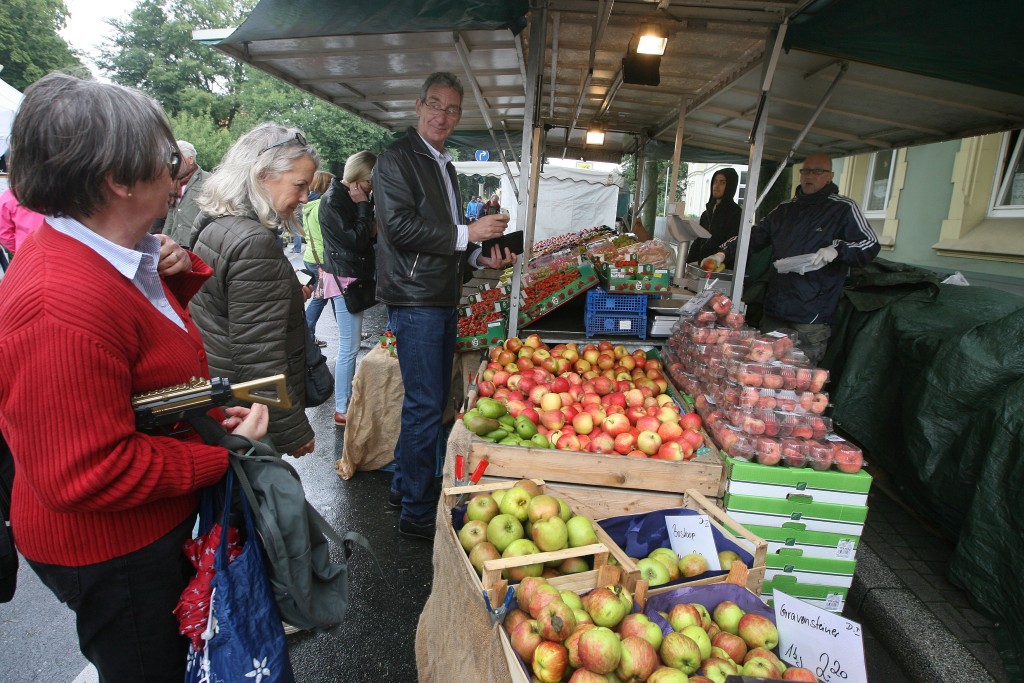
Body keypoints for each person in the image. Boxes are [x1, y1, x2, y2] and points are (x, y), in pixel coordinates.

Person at [0, 72, 269, 683]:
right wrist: (221, 455)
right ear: (118, 180)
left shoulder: (106, 253)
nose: (178, 175)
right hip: (115, 552)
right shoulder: (59, 304)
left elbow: (138, 358)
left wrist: (167, 272)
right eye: (168, 159)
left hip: (140, 530)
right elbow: (88, 471)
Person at [373, 71, 516, 540]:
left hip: (437, 293)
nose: (443, 115)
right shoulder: (397, 159)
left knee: (426, 402)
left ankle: (403, 490)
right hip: (416, 296)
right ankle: (417, 514)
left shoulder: (445, 166)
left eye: (452, 109)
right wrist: (467, 233)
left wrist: (478, 255)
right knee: (426, 404)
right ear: (418, 106)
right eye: (435, 104)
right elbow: (399, 228)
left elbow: (448, 239)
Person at [189, 123, 319, 457]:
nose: (305, 197)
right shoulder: (253, 242)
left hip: (226, 400)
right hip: (250, 414)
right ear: (262, 175)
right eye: (300, 184)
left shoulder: (216, 223)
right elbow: (259, 357)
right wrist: (293, 431)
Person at [713, 152, 880, 364]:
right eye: (806, 171)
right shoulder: (785, 209)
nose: (810, 176)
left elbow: (870, 244)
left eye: (817, 171)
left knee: (801, 375)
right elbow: (754, 235)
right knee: (762, 371)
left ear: (830, 176)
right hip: (775, 309)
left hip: (812, 315)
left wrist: (838, 249)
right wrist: (723, 252)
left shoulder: (844, 208)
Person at [318, 151, 378, 429]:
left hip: (349, 276)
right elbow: (356, 239)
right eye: (369, 182)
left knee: (350, 345)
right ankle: (342, 407)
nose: (370, 188)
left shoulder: (345, 196)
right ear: (357, 177)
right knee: (349, 346)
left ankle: (346, 403)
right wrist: (364, 206)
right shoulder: (335, 200)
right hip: (345, 279)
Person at [150, 140, 209, 246]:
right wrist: (164, 240)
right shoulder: (174, 183)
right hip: (175, 243)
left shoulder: (209, 181)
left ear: (190, 160)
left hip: (194, 245)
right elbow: (171, 214)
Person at [302, 170, 337, 345]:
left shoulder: (310, 206)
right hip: (321, 261)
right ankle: (307, 336)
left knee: (334, 294)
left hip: (312, 257)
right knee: (321, 297)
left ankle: (349, 329)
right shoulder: (321, 207)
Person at [688, 167, 741, 264]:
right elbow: (699, 240)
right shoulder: (706, 214)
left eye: (722, 183)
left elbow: (732, 244)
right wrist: (689, 262)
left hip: (719, 266)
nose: (716, 186)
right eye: (715, 182)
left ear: (730, 186)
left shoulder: (736, 214)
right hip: (701, 266)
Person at [0, 186, 45, 254]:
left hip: (26, 251)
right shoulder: (57, 193)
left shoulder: (9, 196)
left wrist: (19, 250)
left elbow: (3, 233)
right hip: (56, 250)